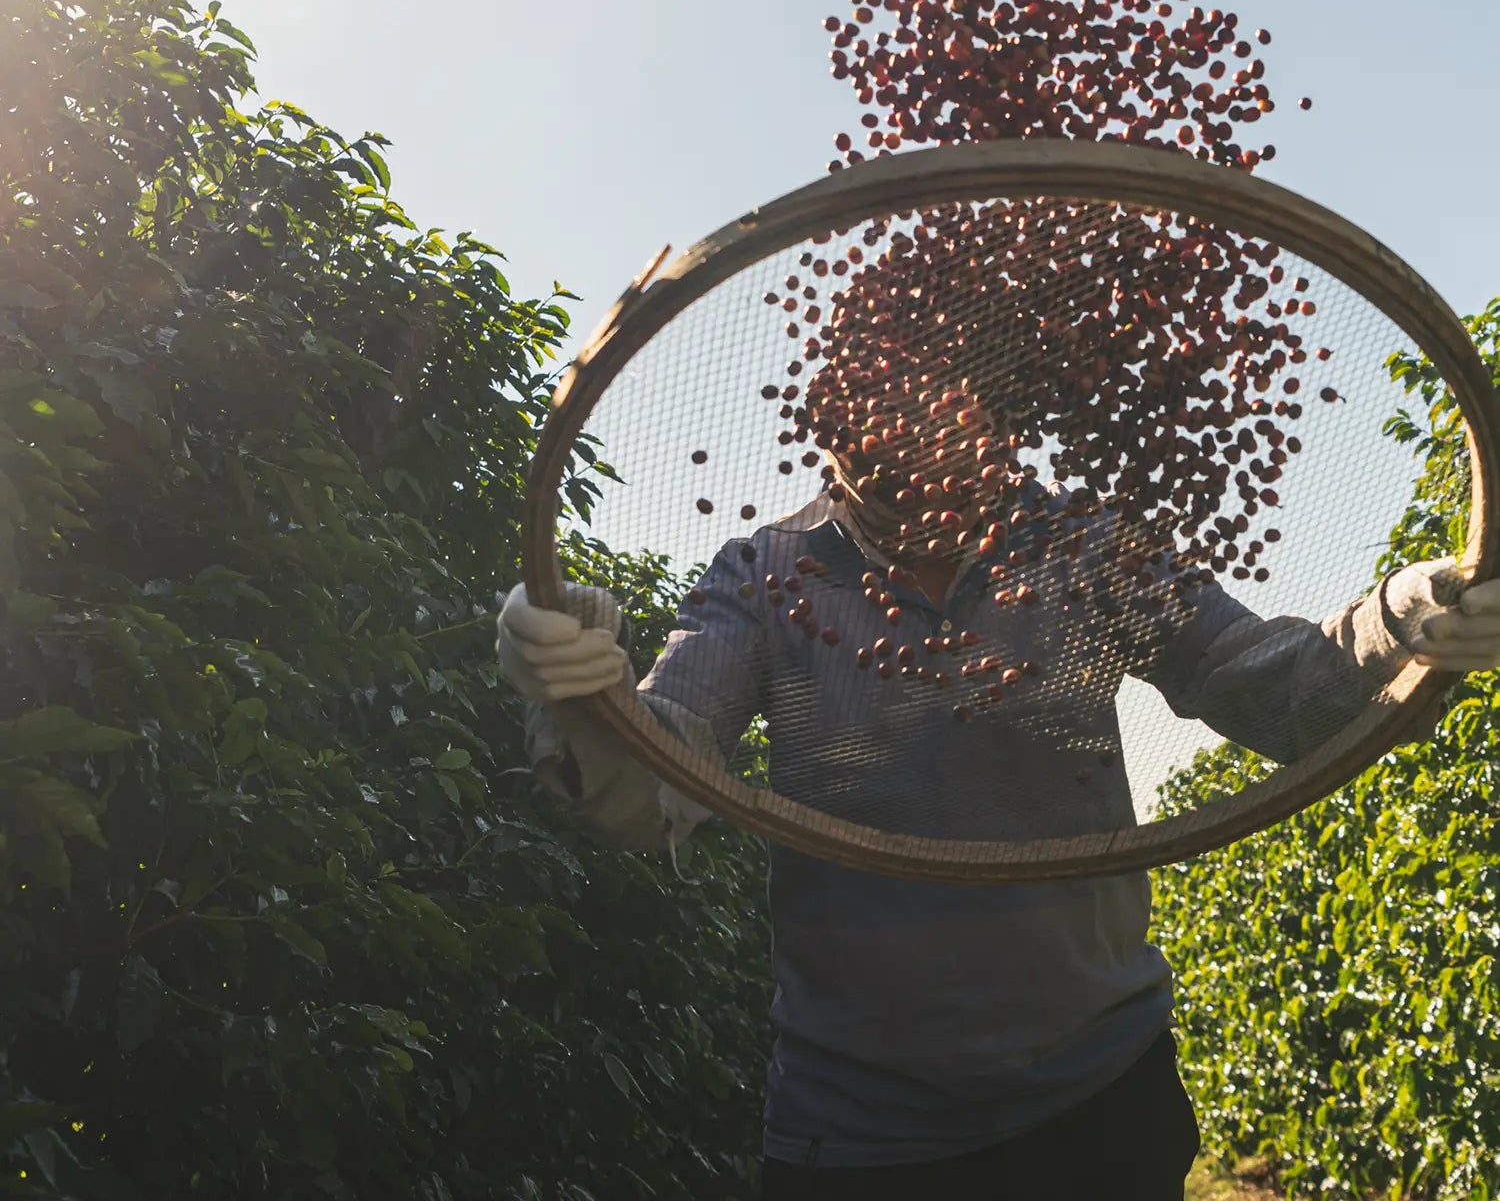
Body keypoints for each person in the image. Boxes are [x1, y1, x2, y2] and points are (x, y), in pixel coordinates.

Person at [497, 403, 1500, 1200]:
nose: (921, 446)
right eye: (884, 415)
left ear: (998, 416)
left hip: (1101, 1088)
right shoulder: (765, 576)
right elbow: (657, 782)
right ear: (833, 425)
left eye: (948, 410)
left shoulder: (1083, 545)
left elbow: (1275, 689)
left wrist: (1407, 622)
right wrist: (583, 699)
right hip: (860, 1129)